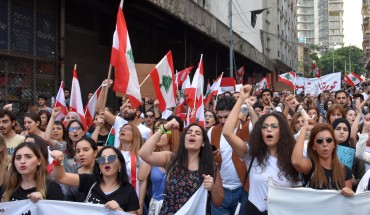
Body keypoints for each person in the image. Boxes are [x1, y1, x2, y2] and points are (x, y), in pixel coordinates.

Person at [223, 85, 301, 215]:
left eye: (274, 126)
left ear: (282, 132)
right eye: (264, 127)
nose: (269, 129)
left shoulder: (293, 158)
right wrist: (241, 99)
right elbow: (227, 132)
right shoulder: (251, 154)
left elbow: (298, 196)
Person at [139, 119, 224, 214]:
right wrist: (165, 127)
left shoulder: (211, 167)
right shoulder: (171, 159)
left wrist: (212, 188)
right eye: (189, 132)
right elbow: (143, 153)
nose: (192, 134)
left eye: (198, 133)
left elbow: (218, 202)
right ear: (183, 139)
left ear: (203, 143)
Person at [51, 146, 139, 213]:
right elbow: (60, 177)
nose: (106, 161)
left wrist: (119, 211)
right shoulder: (90, 181)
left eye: (111, 158)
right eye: (101, 159)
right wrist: (58, 161)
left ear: (120, 164)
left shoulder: (129, 191)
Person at [208, 96, 249, 215]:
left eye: (226, 117)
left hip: (243, 190)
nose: (222, 121)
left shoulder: (248, 128)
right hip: (220, 190)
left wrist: (249, 107)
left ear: (236, 112)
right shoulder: (213, 131)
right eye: (219, 117)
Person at [291, 122, 354, 197]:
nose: (325, 144)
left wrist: (347, 193)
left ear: (334, 144)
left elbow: (348, 202)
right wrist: (304, 129)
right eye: (319, 141)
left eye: (329, 140)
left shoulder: (345, 170)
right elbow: (296, 162)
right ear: (313, 146)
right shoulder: (310, 166)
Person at [138, 120, 179, 215]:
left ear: (171, 135)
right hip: (156, 206)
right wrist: (151, 148)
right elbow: (141, 177)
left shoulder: (179, 158)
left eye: (163, 131)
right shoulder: (152, 157)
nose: (158, 133)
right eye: (156, 130)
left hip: (174, 206)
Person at [118, 123, 147, 215]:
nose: (123, 130)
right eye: (122, 129)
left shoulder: (140, 156)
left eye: (127, 129)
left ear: (135, 135)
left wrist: (140, 204)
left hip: (133, 200)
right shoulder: (113, 154)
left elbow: (143, 181)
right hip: (116, 199)